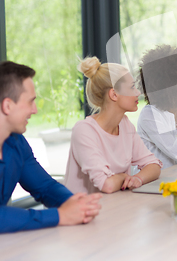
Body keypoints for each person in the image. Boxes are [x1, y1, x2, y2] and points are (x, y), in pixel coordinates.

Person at [0, 61, 101, 235]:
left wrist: (75, 204)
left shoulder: (16, 142)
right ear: (7, 106)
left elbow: (45, 187)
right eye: (30, 102)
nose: (35, 110)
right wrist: (60, 215)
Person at [64, 57, 162, 194]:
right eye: (132, 87)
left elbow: (154, 165)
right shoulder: (84, 131)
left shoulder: (125, 124)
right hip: (82, 211)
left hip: (113, 205)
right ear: (114, 94)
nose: (138, 93)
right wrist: (124, 177)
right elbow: (106, 185)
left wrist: (138, 179)